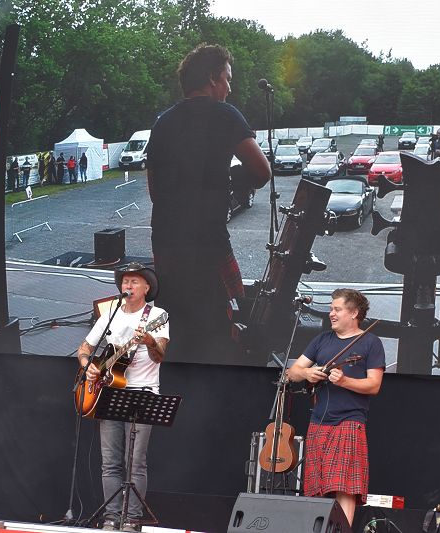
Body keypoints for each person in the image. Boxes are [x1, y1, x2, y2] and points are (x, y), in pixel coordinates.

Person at [145, 43, 270, 363]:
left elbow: (154, 189)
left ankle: (176, 393)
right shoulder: (226, 115)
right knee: (217, 330)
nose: (229, 88)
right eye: (227, 79)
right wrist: (228, 184)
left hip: (166, 243)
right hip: (207, 243)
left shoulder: (162, 122)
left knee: (177, 325)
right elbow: (262, 171)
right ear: (212, 78)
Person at [77, 263, 168, 532]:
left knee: (135, 462)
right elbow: (85, 348)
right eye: (125, 281)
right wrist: (88, 366)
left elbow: (160, 354)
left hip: (142, 392)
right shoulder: (110, 315)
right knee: (110, 462)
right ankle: (111, 518)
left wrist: (150, 341)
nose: (128, 286)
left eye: (134, 282)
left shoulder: (158, 315)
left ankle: (132, 519)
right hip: (108, 393)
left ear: (146, 288)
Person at [286, 288, 385, 527]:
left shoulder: (370, 343)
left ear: (354, 313)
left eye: (337, 309)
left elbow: (374, 385)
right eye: (331, 308)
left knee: (345, 485)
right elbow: (293, 371)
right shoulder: (322, 340)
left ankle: (344, 530)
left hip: (349, 420)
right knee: (315, 484)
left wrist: (344, 381)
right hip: (319, 419)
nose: (331, 313)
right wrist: (308, 372)